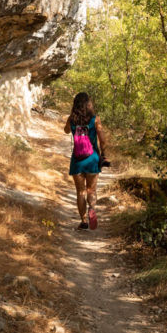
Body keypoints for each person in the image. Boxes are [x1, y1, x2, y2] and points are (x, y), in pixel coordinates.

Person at [64, 92, 109, 230]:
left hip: (77, 161)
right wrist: (104, 154)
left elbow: (66, 131)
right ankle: (92, 208)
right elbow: (102, 139)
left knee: (80, 192)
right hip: (92, 159)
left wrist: (71, 122)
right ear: (88, 104)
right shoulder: (95, 119)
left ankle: (83, 221)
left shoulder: (72, 119)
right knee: (91, 190)